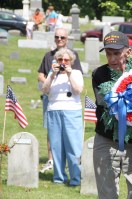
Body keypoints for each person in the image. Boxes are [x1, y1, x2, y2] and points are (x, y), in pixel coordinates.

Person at [92, 31, 132, 199]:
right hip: (106, 139)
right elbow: (106, 102)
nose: (113, 58)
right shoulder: (99, 74)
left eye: (117, 53)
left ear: (128, 52)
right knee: (107, 192)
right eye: (109, 54)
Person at [38, 28, 82, 173]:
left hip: (70, 103)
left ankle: (72, 167)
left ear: (67, 39)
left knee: (70, 137)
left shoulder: (73, 56)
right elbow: (40, 75)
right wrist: (51, 80)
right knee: (52, 133)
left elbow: (77, 80)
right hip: (52, 99)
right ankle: (52, 160)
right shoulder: (48, 56)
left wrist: (66, 74)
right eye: (57, 37)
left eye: (62, 37)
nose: (59, 39)